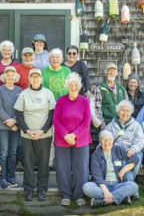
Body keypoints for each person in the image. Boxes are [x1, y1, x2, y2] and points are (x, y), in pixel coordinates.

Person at [14, 69, 56, 201]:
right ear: (30, 79)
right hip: (27, 135)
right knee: (28, 162)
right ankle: (29, 189)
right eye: (33, 77)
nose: (35, 79)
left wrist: (42, 131)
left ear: (41, 79)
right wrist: (27, 130)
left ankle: (42, 189)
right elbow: (19, 115)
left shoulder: (48, 93)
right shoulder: (24, 94)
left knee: (44, 163)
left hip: (44, 134)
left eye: (38, 77)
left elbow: (51, 115)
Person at [53, 72, 91, 206]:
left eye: (76, 85)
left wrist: (74, 135)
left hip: (81, 139)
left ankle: (79, 194)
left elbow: (87, 122)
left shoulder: (85, 101)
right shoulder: (61, 100)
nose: (73, 87)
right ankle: (65, 195)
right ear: (67, 86)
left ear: (80, 86)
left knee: (80, 168)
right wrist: (65, 135)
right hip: (62, 139)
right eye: (71, 85)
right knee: (62, 168)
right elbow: (55, 120)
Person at [82, 130, 139, 208]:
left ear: (113, 141)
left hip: (117, 184)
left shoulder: (118, 149)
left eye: (109, 140)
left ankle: (103, 201)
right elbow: (97, 176)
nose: (106, 143)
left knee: (134, 186)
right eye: (104, 140)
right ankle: (119, 197)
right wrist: (106, 192)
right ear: (100, 142)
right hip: (102, 185)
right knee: (86, 187)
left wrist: (123, 170)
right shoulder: (96, 155)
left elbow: (135, 158)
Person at [0, 66, 22, 189]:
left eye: (12, 75)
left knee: (13, 153)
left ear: (16, 77)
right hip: (1, 126)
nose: (10, 77)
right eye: (8, 75)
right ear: (4, 77)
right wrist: (9, 121)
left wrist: (14, 121)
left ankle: (11, 177)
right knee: (3, 152)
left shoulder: (19, 90)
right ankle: (2, 178)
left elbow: (21, 108)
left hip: (15, 126)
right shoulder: (0, 90)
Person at [106, 100, 144, 192]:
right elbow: (105, 140)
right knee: (122, 163)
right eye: (122, 110)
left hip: (131, 152)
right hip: (116, 152)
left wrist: (133, 149)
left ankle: (127, 185)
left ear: (131, 112)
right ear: (118, 112)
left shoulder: (136, 125)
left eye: (127, 111)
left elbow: (140, 141)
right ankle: (130, 189)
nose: (125, 113)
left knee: (138, 157)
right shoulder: (111, 125)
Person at [94, 63, 127, 129]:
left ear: (116, 73)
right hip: (107, 123)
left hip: (121, 123)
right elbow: (97, 108)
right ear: (106, 73)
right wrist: (102, 122)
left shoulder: (122, 89)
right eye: (110, 71)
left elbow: (126, 106)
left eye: (114, 71)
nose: (112, 73)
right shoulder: (100, 88)